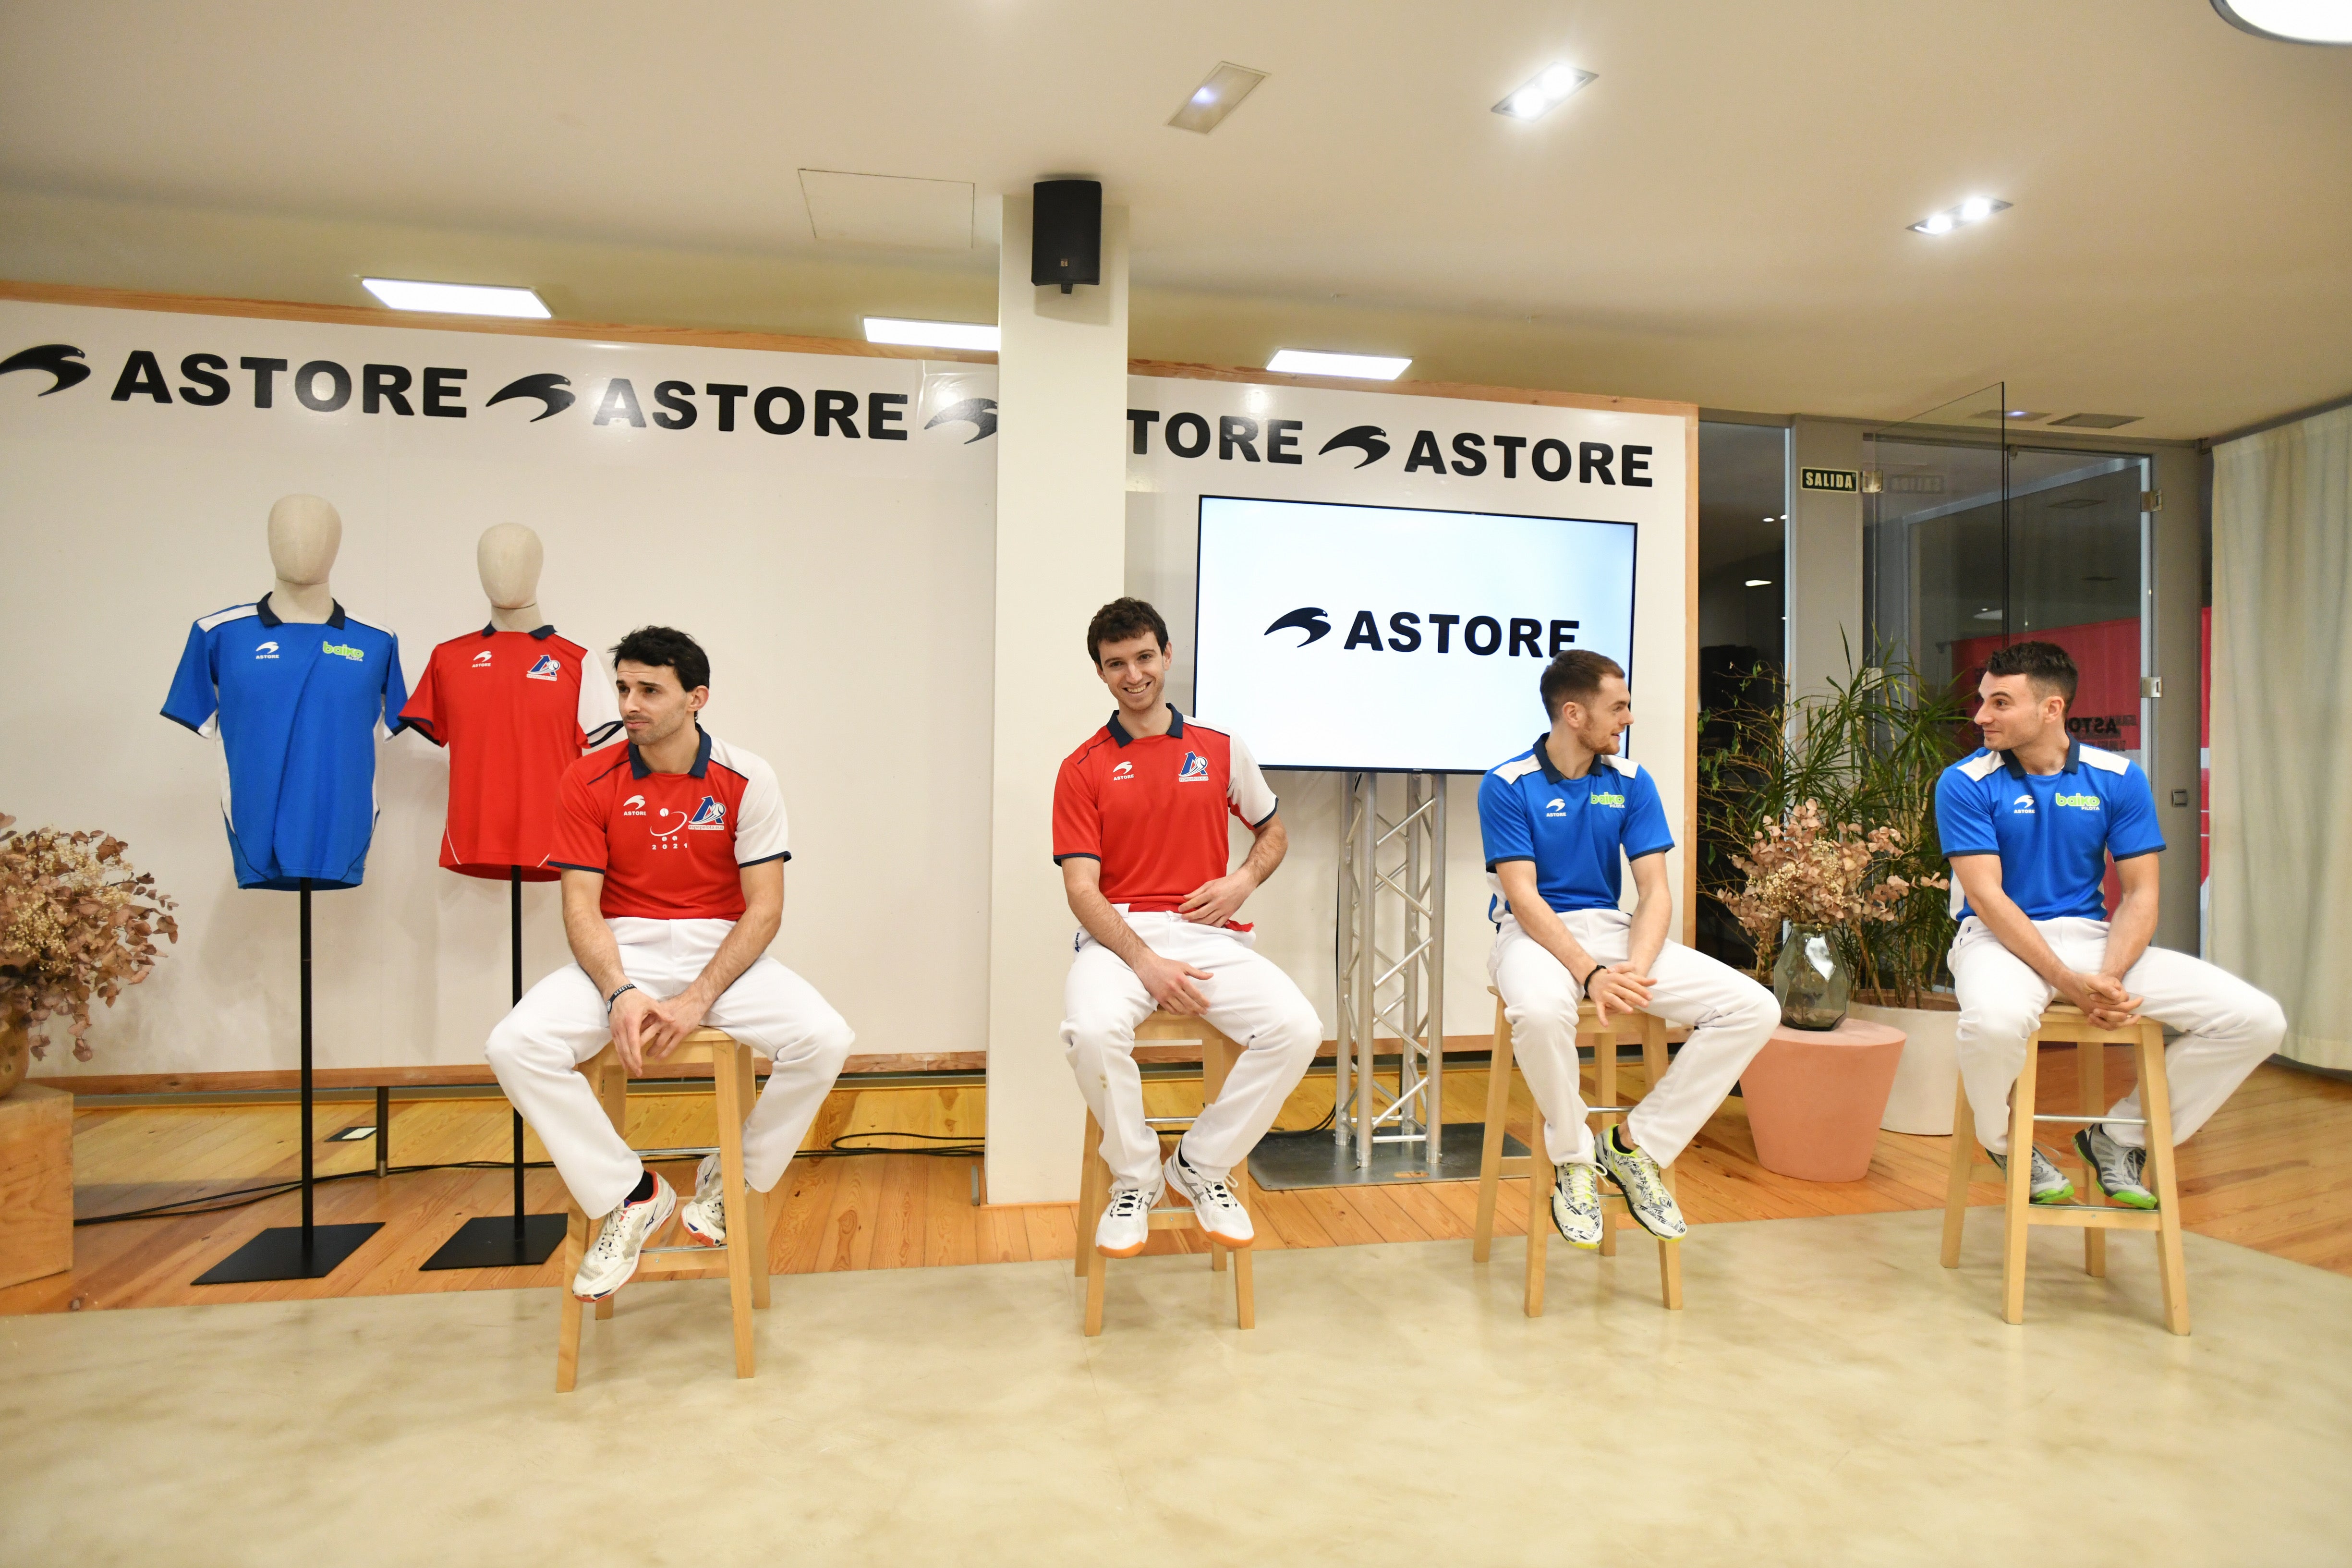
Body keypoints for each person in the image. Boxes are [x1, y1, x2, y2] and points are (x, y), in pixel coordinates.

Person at [485, 626, 853, 1301]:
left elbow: (764, 909)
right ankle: (631, 1191)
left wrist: (696, 998)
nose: (630, 703)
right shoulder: (587, 777)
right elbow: (579, 908)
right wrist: (620, 990)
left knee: (825, 1038)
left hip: (722, 949)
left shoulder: (747, 777)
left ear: (696, 698)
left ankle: (733, 1174)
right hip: (623, 944)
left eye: (649, 689)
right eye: (623, 687)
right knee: (514, 1045)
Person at [1938, 640, 2284, 1207]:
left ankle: (2118, 1137)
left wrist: (2111, 976)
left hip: (2093, 940)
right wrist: (2071, 984)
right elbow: (1988, 898)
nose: (1980, 716)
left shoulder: (2117, 777)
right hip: (1994, 940)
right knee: (1995, 1023)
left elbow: (2143, 894)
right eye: (1982, 701)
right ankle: (2004, 1141)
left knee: (2255, 1019)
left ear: (2052, 709)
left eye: (2000, 703)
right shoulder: (1964, 782)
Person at [1479, 650, 1778, 1248]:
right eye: (1617, 707)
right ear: (1572, 713)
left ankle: (1634, 1146)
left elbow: (1655, 894)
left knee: (1754, 1008)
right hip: (1531, 934)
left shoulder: (1633, 782)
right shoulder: (1506, 784)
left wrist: (1634, 971)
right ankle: (1572, 1160)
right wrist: (1590, 975)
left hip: (1615, 932)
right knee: (1539, 1013)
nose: (1628, 718)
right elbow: (1525, 897)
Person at [1053, 597, 1323, 1257]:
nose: (1133, 674)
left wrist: (1241, 882)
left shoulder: (1221, 749)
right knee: (1089, 1030)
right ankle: (1136, 1175)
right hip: (1119, 942)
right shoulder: (1081, 767)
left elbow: (1272, 831)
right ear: (1100, 673)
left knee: (1296, 1029)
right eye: (1116, 664)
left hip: (1208, 936)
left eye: (1144, 657)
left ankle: (1199, 1164)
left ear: (1167, 655)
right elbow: (1080, 891)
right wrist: (1145, 962)